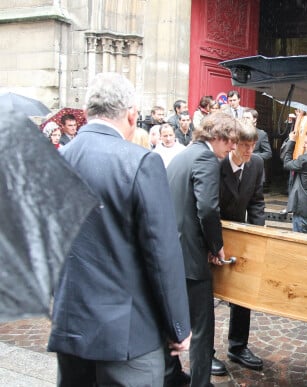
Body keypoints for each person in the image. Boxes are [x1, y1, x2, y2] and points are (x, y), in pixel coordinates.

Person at [47, 72, 192, 386]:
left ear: (87, 113)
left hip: (71, 326)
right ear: (131, 114)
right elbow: (161, 253)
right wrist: (178, 327)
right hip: (129, 335)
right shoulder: (140, 162)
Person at [167, 112, 239, 387]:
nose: (232, 147)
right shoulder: (205, 158)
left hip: (170, 253)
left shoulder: (182, 156)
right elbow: (207, 209)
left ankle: (170, 377)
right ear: (217, 136)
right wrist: (216, 246)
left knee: (171, 322)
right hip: (190, 258)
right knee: (201, 328)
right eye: (230, 141)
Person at [215, 119, 265, 375]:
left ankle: (238, 346)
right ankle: (206, 352)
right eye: (244, 145)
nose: (248, 151)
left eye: (252, 145)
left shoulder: (256, 163)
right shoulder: (217, 163)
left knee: (243, 292)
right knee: (209, 295)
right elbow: (207, 206)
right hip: (216, 234)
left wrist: (257, 235)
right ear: (233, 144)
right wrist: (214, 242)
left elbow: (256, 201)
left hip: (243, 234)